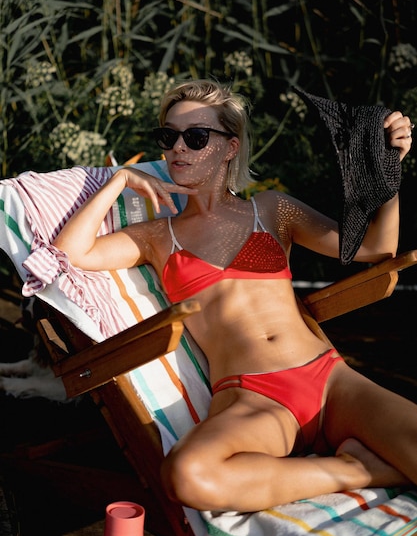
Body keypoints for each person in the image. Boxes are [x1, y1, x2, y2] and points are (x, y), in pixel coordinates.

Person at [53, 79, 416, 513]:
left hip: (330, 381)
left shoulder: (270, 209)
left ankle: (361, 464)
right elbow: (69, 252)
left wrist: (387, 170)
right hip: (254, 399)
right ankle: (359, 470)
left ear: (230, 146)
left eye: (196, 136)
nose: (178, 149)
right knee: (189, 475)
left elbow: (377, 248)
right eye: (168, 137)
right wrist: (119, 181)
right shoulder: (157, 237)